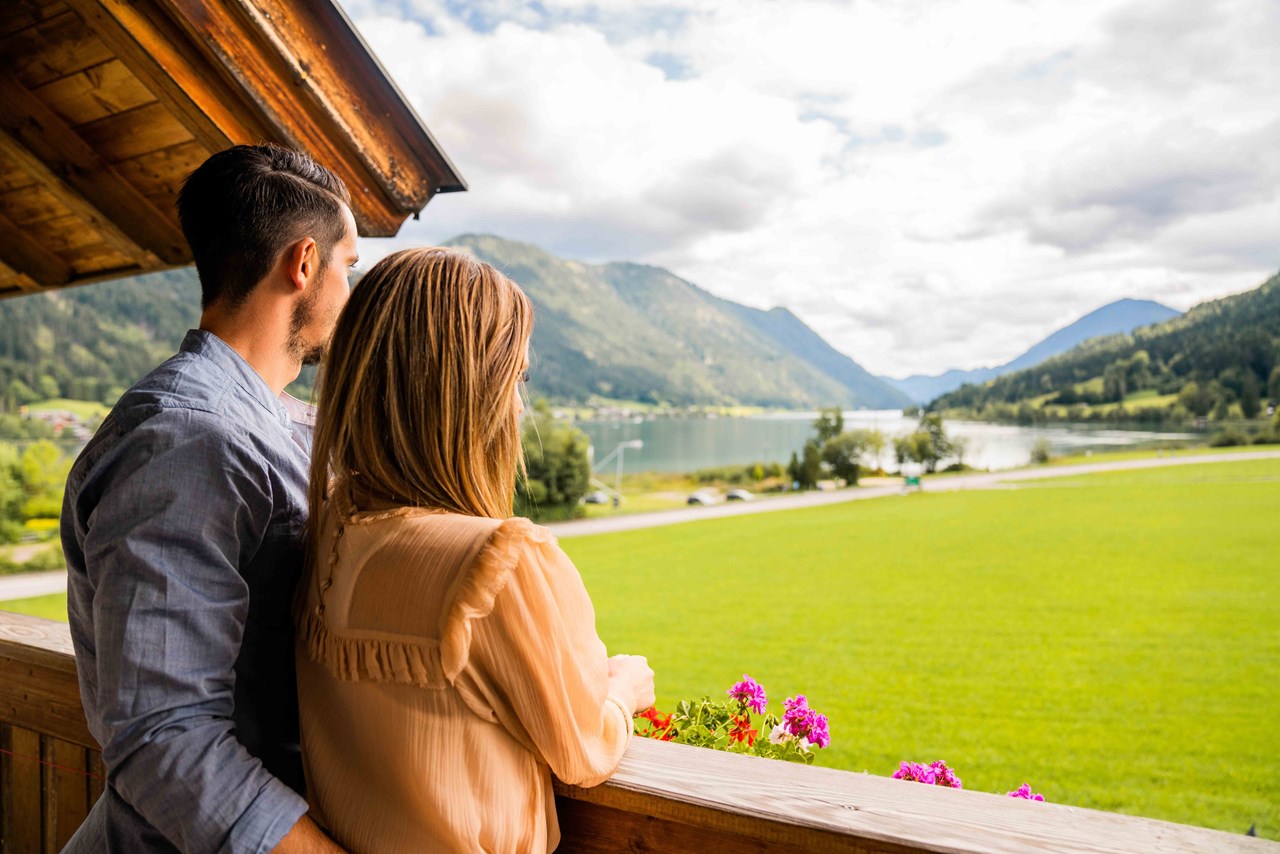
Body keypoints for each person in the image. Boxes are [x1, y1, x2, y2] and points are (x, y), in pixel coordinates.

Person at [296, 247, 655, 852]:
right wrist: (625, 688)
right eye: (513, 378)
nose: (518, 406)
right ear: (466, 392)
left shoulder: (326, 531)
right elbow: (583, 749)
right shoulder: (498, 563)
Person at [61, 144, 359, 852]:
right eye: (349, 267)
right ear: (306, 263)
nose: (351, 290)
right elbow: (166, 740)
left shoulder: (268, 421)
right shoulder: (189, 441)